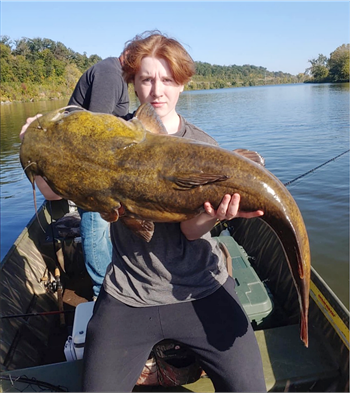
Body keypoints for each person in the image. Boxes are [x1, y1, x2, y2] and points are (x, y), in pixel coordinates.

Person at [20, 31, 267, 392]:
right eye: (147, 79)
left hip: (200, 287)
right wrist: (36, 144)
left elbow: (191, 232)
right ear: (133, 82)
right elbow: (50, 187)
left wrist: (217, 214)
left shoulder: (202, 147)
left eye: (167, 79)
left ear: (182, 83)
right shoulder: (109, 138)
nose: (157, 90)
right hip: (129, 291)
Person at [20, 56, 130, 300]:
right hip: (89, 175)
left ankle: (111, 286)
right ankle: (103, 294)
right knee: (95, 227)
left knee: (103, 230)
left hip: (93, 170)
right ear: (132, 57)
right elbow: (94, 132)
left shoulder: (113, 73)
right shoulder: (111, 75)